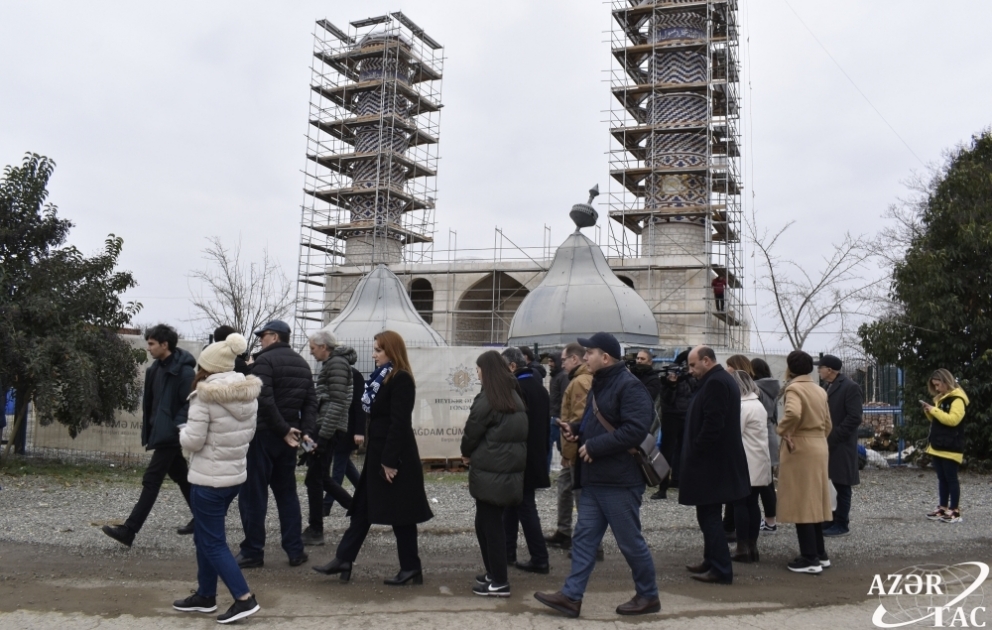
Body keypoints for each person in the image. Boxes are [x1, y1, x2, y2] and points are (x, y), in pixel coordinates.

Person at [534, 332, 659, 618]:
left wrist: (595, 445)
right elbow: (599, 422)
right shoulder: (599, 383)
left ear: (605, 357)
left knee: (629, 542)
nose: (585, 356)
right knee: (584, 539)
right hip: (595, 480)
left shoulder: (630, 386)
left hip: (619, 481)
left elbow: (636, 430)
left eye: (590, 352)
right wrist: (576, 430)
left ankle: (649, 595)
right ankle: (571, 596)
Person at [313, 330, 433, 585]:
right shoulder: (381, 378)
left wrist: (389, 461)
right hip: (378, 455)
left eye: (378, 350)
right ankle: (344, 558)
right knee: (362, 509)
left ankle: (411, 567)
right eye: (374, 349)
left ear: (392, 351)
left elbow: (399, 423)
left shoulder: (401, 379)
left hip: (394, 458)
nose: (373, 354)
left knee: (402, 515)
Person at [172, 334, 261, 623]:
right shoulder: (247, 393)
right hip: (233, 476)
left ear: (207, 367)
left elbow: (194, 442)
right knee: (205, 536)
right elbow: (246, 435)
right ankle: (205, 595)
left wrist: (182, 431)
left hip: (208, 479)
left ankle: (244, 599)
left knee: (212, 542)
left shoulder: (204, 395)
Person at [103, 324, 196, 547]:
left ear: (165, 345)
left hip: (171, 435)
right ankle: (205, 516)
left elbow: (189, 403)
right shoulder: (155, 369)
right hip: (160, 432)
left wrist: (175, 426)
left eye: (152, 343)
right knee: (182, 477)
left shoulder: (184, 371)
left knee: (151, 480)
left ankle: (129, 530)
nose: (148, 347)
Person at [236, 320, 317, 569]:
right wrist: (305, 433)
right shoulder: (303, 364)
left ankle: (252, 551)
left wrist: (281, 429)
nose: (260, 339)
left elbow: (265, 400)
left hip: (265, 435)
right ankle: (295, 550)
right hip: (290, 438)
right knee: (287, 495)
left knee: (253, 495)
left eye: (263, 336)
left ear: (274, 336)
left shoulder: (265, 362)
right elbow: (311, 403)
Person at [679, 346, 749, 585]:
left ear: (706, 361)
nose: (690, 371)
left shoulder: (717, 383)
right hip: (714, 462)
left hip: (712, 463)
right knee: (707, 514)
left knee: (709, 516)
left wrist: (696, 450)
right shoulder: (716, 380)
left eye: (693, 365)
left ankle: (720, 568)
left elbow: (713, 423)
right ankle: (711, 560)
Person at [461, 350, 529, 597]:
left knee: (490, 527)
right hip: (504, 471)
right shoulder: (512, 394)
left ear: (486, 371)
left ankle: (499, 581)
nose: (476, 373)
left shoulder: (489, 397)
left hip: (492, 471)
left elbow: (472, 429)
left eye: (478, 369)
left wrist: (466, 452)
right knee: (487, 523)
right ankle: (493, 572)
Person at [777, 350, 833, 574]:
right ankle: (820, 553)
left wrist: (782, 430)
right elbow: (828, 423)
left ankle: (809, 558)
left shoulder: (794, 388)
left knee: (802, 502)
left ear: (790, 367)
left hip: (800, 447)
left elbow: (793, 413)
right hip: (819, 445)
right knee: (815, 500)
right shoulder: (819, 390)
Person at [302, 330, 355, 546]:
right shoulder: (334, 364)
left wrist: (322, 439)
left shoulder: (336, 364)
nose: (312, 353)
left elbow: (337, 402)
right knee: (320, 477)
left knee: (314, 479)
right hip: (326, 428)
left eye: (313, 348)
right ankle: (358, 510)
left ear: (324, 347)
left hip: (327, 429)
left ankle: (316, 530)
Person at [501, 347, 551, 573]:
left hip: (521, 457)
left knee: (525, 508)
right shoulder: (538, 388)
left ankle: (539, 558)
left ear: (512, 366)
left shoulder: (518, 388)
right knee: (511, 506)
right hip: (534, 454)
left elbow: (511, 426)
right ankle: (507, 551)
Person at [544, 342, 592, 551]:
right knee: (564, 488)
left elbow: (578, 423)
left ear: (575, 359)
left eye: (564, 360)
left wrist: (570, 453)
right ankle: (564, 532)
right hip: (571, 450)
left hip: (576, 451)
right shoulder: (574, 380)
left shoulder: (580, 382)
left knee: (581, 497)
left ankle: (588, 543)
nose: (561, 363)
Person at [815, 354, 862, 537]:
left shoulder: (850, 387)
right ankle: (832, 519)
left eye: (821, 367)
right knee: (832, 482)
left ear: (830, 370)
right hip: (830, 443)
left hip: (841, 444)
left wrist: (834, 436)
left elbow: (854, 417)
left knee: (842, 485)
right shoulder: (829, 386)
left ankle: (842, 523)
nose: (819, 370)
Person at [727, 370, 772, 563]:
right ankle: (752, 547)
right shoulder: (758, 404)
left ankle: (742, 547)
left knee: (740, 505)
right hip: (759, 459)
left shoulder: (742, 407)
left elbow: (734, 433)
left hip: (745, 461)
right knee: (752, 504)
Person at [922, 369, 969, 524]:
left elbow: (953, 420)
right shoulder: (942, 399)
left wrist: (934, 410)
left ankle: (955, 510)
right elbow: (939, 421)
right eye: (934, 386)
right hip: (939, 445)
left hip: (951, 446)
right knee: (942, 478)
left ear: (945, 382)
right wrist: (930, 412)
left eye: (937, 385)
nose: (936, 388)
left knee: (951, 478)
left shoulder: (957, 399)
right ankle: (943, 507)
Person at [324, 357, 365, 516]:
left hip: (348, 430)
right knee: (345, 466)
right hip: (335, 428)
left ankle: (326, 505)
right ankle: (365, 494)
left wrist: (359, 431)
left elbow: (359, 405)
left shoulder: (355, 376)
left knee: (338, 470)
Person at [657, 350, 696, 498]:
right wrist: (672, 384)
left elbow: (694, 391)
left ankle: (679, 480)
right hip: (671, 417)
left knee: (685, 450)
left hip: (687, 415)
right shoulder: (671, 372)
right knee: (667, 452)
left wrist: (688, 377)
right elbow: (666, 399)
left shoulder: (690, 375)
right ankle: (662, 487)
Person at [751, 358, 781, 534]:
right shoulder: (773, 387)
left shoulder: (755, 388)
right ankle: (771, 520)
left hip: (759, 434)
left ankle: (770, 522)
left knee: (763, 483)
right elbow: (776, 415)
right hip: (770, 432)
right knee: (767, 480)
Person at [547, 354, 569, 473]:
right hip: (554, 416)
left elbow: (565, 399)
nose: (550, 364)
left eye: (552, 361)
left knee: (553, 445)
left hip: (558, 418)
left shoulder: (563, 377)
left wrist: (562, 417)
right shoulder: (555, 376)